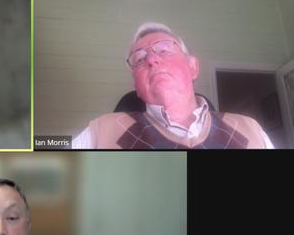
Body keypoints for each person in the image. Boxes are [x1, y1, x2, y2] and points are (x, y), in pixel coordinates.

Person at [72, 22, 274, 149]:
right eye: (140, 59)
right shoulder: (101, 133)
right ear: (136, 84)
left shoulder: (250, 130)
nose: (151, 60)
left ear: (193, 67)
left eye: (164, 50)